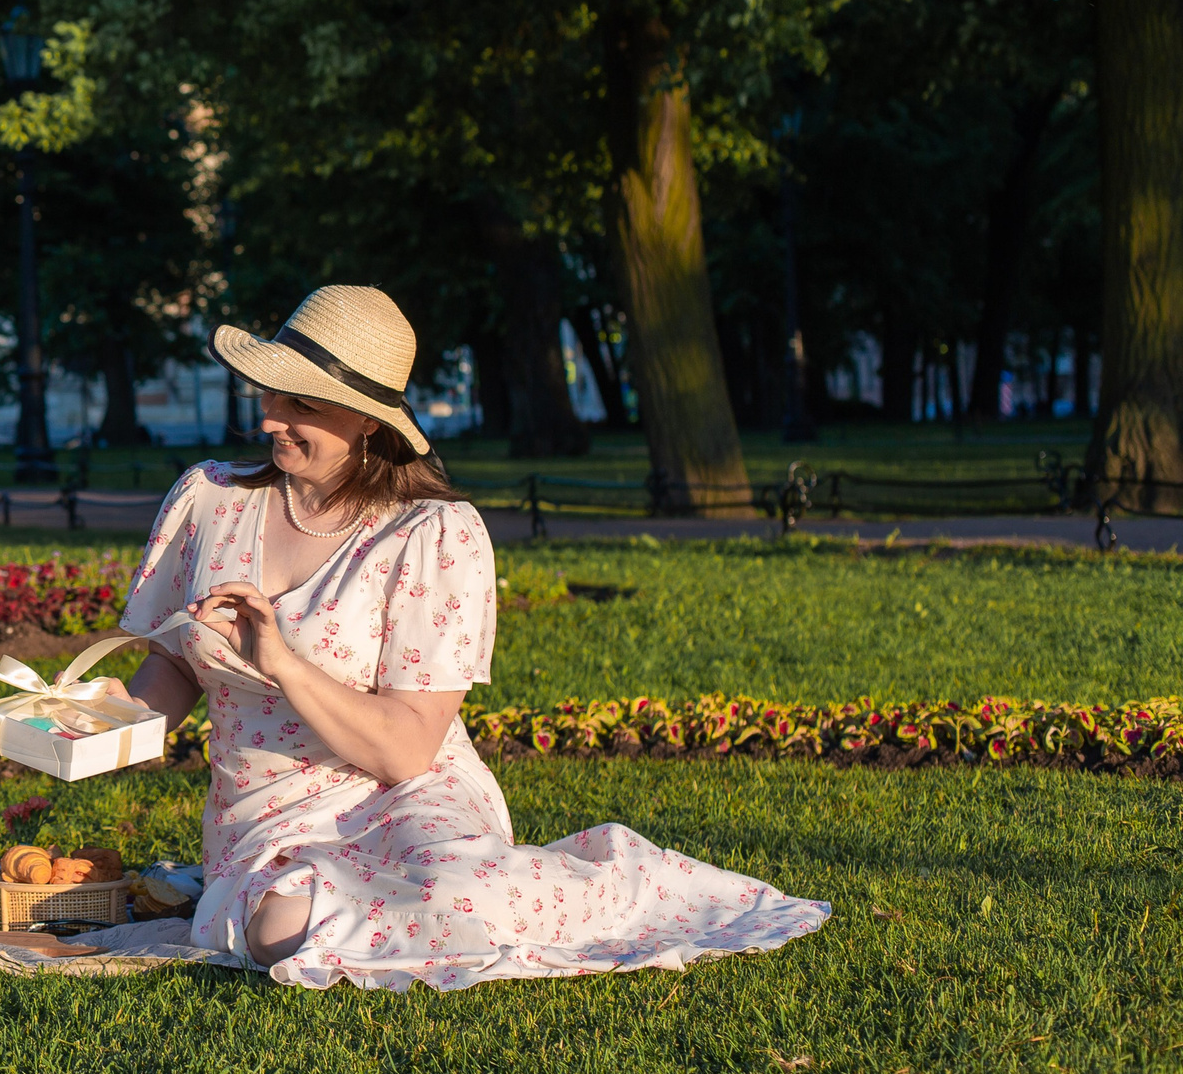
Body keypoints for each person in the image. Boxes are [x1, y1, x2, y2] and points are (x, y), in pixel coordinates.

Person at [121, 285, 830, 992]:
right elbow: (173, 668)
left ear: (371, 422)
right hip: (267, 816)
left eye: (301, 403)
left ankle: (615, 881)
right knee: (278, 930)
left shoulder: (430, 535)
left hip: (407, 794)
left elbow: (405, 750)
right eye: (272, 393)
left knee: (442, 898)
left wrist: (281, 663)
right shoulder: (209, 500)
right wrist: (83, 727)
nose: (271, 416)